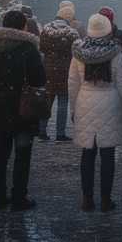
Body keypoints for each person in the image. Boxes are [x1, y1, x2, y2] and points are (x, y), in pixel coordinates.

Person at [69, 13, 122, 212]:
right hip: (111, 103)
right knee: (108, 154)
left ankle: (87, 199)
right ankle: (106, 199)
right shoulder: (116, 53)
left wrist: (73, 109)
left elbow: (73, 84)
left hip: (85, 102)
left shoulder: (78, 53)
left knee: (87, 153)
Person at [0, 9, 46, 211]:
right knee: (22, 155)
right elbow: (39, 79)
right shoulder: (29, 50)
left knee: (1, 153)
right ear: (23, 27)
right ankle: (19, 197)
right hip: (23, 110)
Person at [38, 8, 79, 142]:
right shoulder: (72, 33)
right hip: (65, 71)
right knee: (63, 103)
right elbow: (76, 51)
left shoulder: (46, 31)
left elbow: (42, 48)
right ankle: (60, 134)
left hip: (48, 71)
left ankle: (42, 132)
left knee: (47, 103)